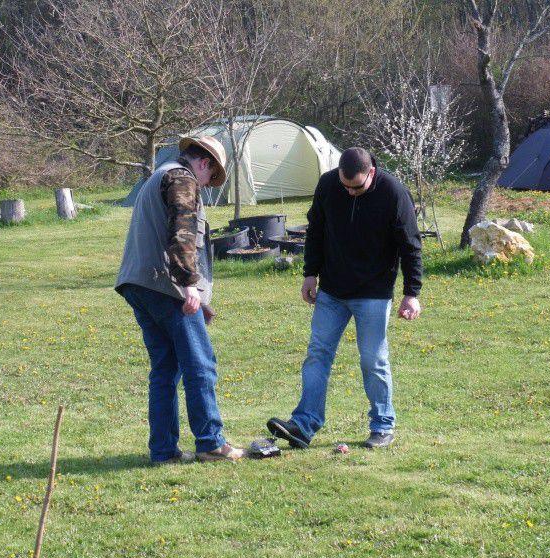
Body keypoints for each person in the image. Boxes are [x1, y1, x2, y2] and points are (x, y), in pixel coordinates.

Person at [267, 147, 422, 450]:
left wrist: (411, 293)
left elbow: (411, 245)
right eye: (345, 185)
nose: (350, 192)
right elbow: (316, 231)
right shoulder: (327, 185)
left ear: (371, 173)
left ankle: (382, 425)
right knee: (317, 354)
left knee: (372, 360)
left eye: (357, 186)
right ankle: (303, 424)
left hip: (373, 293)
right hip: (332, 291)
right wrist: (310, 273)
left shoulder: (393, 193)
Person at [115, 136, 245, 463]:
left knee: (165, 369)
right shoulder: (183, 179)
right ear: (204, 163)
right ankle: (211, 442)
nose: (207, 184)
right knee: (200, 364)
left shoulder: (160, 175)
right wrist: (190, 286)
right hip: (166, 287)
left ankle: (163, 451)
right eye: (210, 176)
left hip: (139, 284)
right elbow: (183, 231)